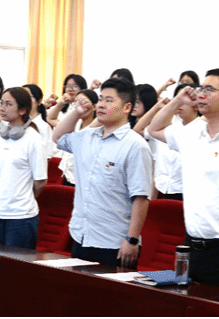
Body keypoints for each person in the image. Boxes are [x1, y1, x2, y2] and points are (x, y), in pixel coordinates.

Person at [148, 68, 219, 291]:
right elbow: (154, 129)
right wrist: (178, 101)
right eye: (201, 88)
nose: (201, 94)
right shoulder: (192, 133)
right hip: (190, 245)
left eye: (209, 89)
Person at [53, 78, 151, 268]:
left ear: (127, 107)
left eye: (109, 100)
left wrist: (132, 239)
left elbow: (140, 197)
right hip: (81, 235)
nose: (101, 105)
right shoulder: (87, 137)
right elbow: (58, 137)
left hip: (113, 242)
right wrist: (77, 112)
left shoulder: (135, 145)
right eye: (100, 99)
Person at [0, 87, 47, 249]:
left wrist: (22, 197)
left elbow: (40, 182)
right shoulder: (0, 136)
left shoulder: (34, 139)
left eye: (8, 104)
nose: (2, 108)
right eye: (1, 103)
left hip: (21, 216)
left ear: (22, 110)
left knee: (15, 263)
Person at [54, 89, 99, 187]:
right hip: (68, 175)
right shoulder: (74, 123)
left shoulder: (97, 127)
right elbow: (57, 136)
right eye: (77, 102)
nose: (80, 106)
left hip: (83, 179)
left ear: (94, 107)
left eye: (84, 102)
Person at [23, 83, 54, 159]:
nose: (24, 100)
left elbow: (47, 156)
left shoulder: (44, 127)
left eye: (28, 97)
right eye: (22, 97)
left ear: (39, 101)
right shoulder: (15, 123)